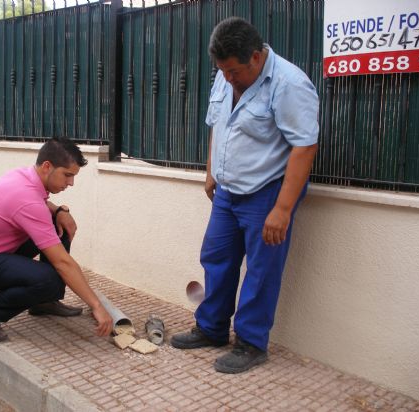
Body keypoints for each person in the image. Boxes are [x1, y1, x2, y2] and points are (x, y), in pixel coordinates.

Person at [171, 17, 319, 374]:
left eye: (233, 71)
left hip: (266, 192)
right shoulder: (226, 76)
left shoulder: (290, 84)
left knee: (261, 270)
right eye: (221, 70)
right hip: (227, 190)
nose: (227, 78)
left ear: (256, 57)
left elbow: (304, 146)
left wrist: (283, 208)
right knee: (216, 257)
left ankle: (251, 343)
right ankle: (212, 329)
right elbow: (218, 125)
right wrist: (210, 171)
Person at [0, 138, 113, 342]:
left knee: (60, 228)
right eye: (67, 175)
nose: (71, 183)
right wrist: (97, 306)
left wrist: (58, 211)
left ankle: (43, 302)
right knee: (50, 279)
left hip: (0, 250)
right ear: (47, 166)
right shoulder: (25, 198)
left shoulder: (24, 176)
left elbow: (39, 202)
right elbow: (62, 263)